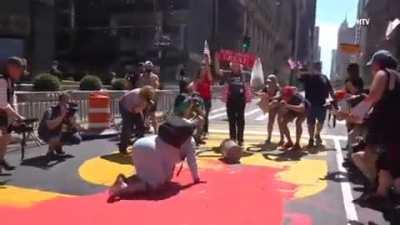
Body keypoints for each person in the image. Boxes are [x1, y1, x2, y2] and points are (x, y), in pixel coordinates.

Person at [108, 94, 202, 202]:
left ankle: (124, 181)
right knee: (154, 184)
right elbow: (191, 160)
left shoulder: (169, 119)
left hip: (141, 144)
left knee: (145, 175)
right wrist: (196, 178)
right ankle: (123, 188)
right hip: (152, 151)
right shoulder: (187, 134)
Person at [351, 50, 400, 199]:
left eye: (372, 65)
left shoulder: (382, 74)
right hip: (394, 126)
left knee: (366, 156)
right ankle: (381, 193)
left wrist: (356, 113)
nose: (371, 69)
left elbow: (373, 97)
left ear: (378, 64)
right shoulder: (397, 76)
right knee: (388, 163)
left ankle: (377, 184)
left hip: (384, 126)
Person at [297, 62, 334, 147]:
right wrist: (301, 69)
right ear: (313, 67)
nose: (318, 68)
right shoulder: (308, 76)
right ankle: (311, 138)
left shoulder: (324, 77)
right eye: (316, 66)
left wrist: (333, 99)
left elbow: (330, 89)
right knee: (310, 123)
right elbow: (299, 77)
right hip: (310, 104)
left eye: (319, 67)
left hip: (322, 104)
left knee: (321, 122)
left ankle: (317, 134)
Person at [0, 57, 26, 173]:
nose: (21, 73)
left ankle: (1, 160)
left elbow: (12, 100)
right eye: (19, 70)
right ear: (10, 68)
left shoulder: (11, 82)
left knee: (6, 138)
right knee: (2, 137)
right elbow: (3, 103)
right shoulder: (2, 81)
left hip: (4, 116)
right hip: (2, 113)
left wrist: (16, 116)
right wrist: (17, 116)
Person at [38, 93, 82, 158]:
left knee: (76, 138)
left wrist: (73, 122)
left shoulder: (71, 111)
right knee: (56, 135)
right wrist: (62, 116)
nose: (66, 103)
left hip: (61, 132)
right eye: (64, 100)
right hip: (46, 132)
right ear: (60, 101)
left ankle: (58, 147)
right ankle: (50, 151)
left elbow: (78, 125)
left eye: (68, 101)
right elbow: (50, 126)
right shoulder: (51, 110)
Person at [118, 86, 156, 154]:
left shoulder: (145, 99)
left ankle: (140, 145)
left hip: (136, 107)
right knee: (128, 127)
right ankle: (123, 147)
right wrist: (143, 106)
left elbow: (143, 113)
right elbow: (135, 111)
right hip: (125, 106)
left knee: (141, 126)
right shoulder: (137, 97)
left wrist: (143, 121)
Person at [222, 62, 251, 146]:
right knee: (231, 120)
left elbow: (250, 83)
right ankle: (233, 138)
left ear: (240, 67)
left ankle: (240, 139)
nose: (235, 67)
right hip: (230, 100)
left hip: (241, 100)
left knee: (240, 120)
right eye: (233, 66)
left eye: (237, 66)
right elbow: (218, 71)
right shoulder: (228, 75)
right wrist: (216, 59)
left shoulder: (244, 75)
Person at [278, 86, 310, 151]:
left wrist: (287, 106)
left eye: (287, 96)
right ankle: (289, 142)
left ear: (291, 96)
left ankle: (297, 144)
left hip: (304, 110)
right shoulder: (283, 97)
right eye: (284, 96)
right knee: (283, 123)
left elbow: (301, 108)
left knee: (298, 123)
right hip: (292, 109)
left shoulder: (298, 98)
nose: (284, 97)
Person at [256, 74, 283, 144]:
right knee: (270, 122)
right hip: (272, 106)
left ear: (274, 82)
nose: (268, 83)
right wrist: (256, 93)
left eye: (270, 82)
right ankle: (269, 137)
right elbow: (259, 93)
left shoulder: (278, 88)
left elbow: (278, 95)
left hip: (280, 105)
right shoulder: (266, 88)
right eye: (268, 82)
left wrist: (270, 97)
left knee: (280, 122)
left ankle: (282, 138)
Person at [136, 61, 160, 134]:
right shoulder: (141, 76)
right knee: (143, 114)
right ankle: (144, 130)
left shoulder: (153, 77)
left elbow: (155, 87)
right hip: (145, 98)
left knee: (151, 115)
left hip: (150, 98)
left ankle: (155, 131)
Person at [193, 57, 212, 138]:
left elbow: (210, 75)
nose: (203, 69)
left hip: (207, 99)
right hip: (198, 99)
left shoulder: (208, 78)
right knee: (198, 115)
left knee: (205, 115)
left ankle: (205, 131)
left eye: (205, 68)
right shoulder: (197, 79)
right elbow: (194, 87)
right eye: (202, 68)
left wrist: (207, 63)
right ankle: (198, 132)